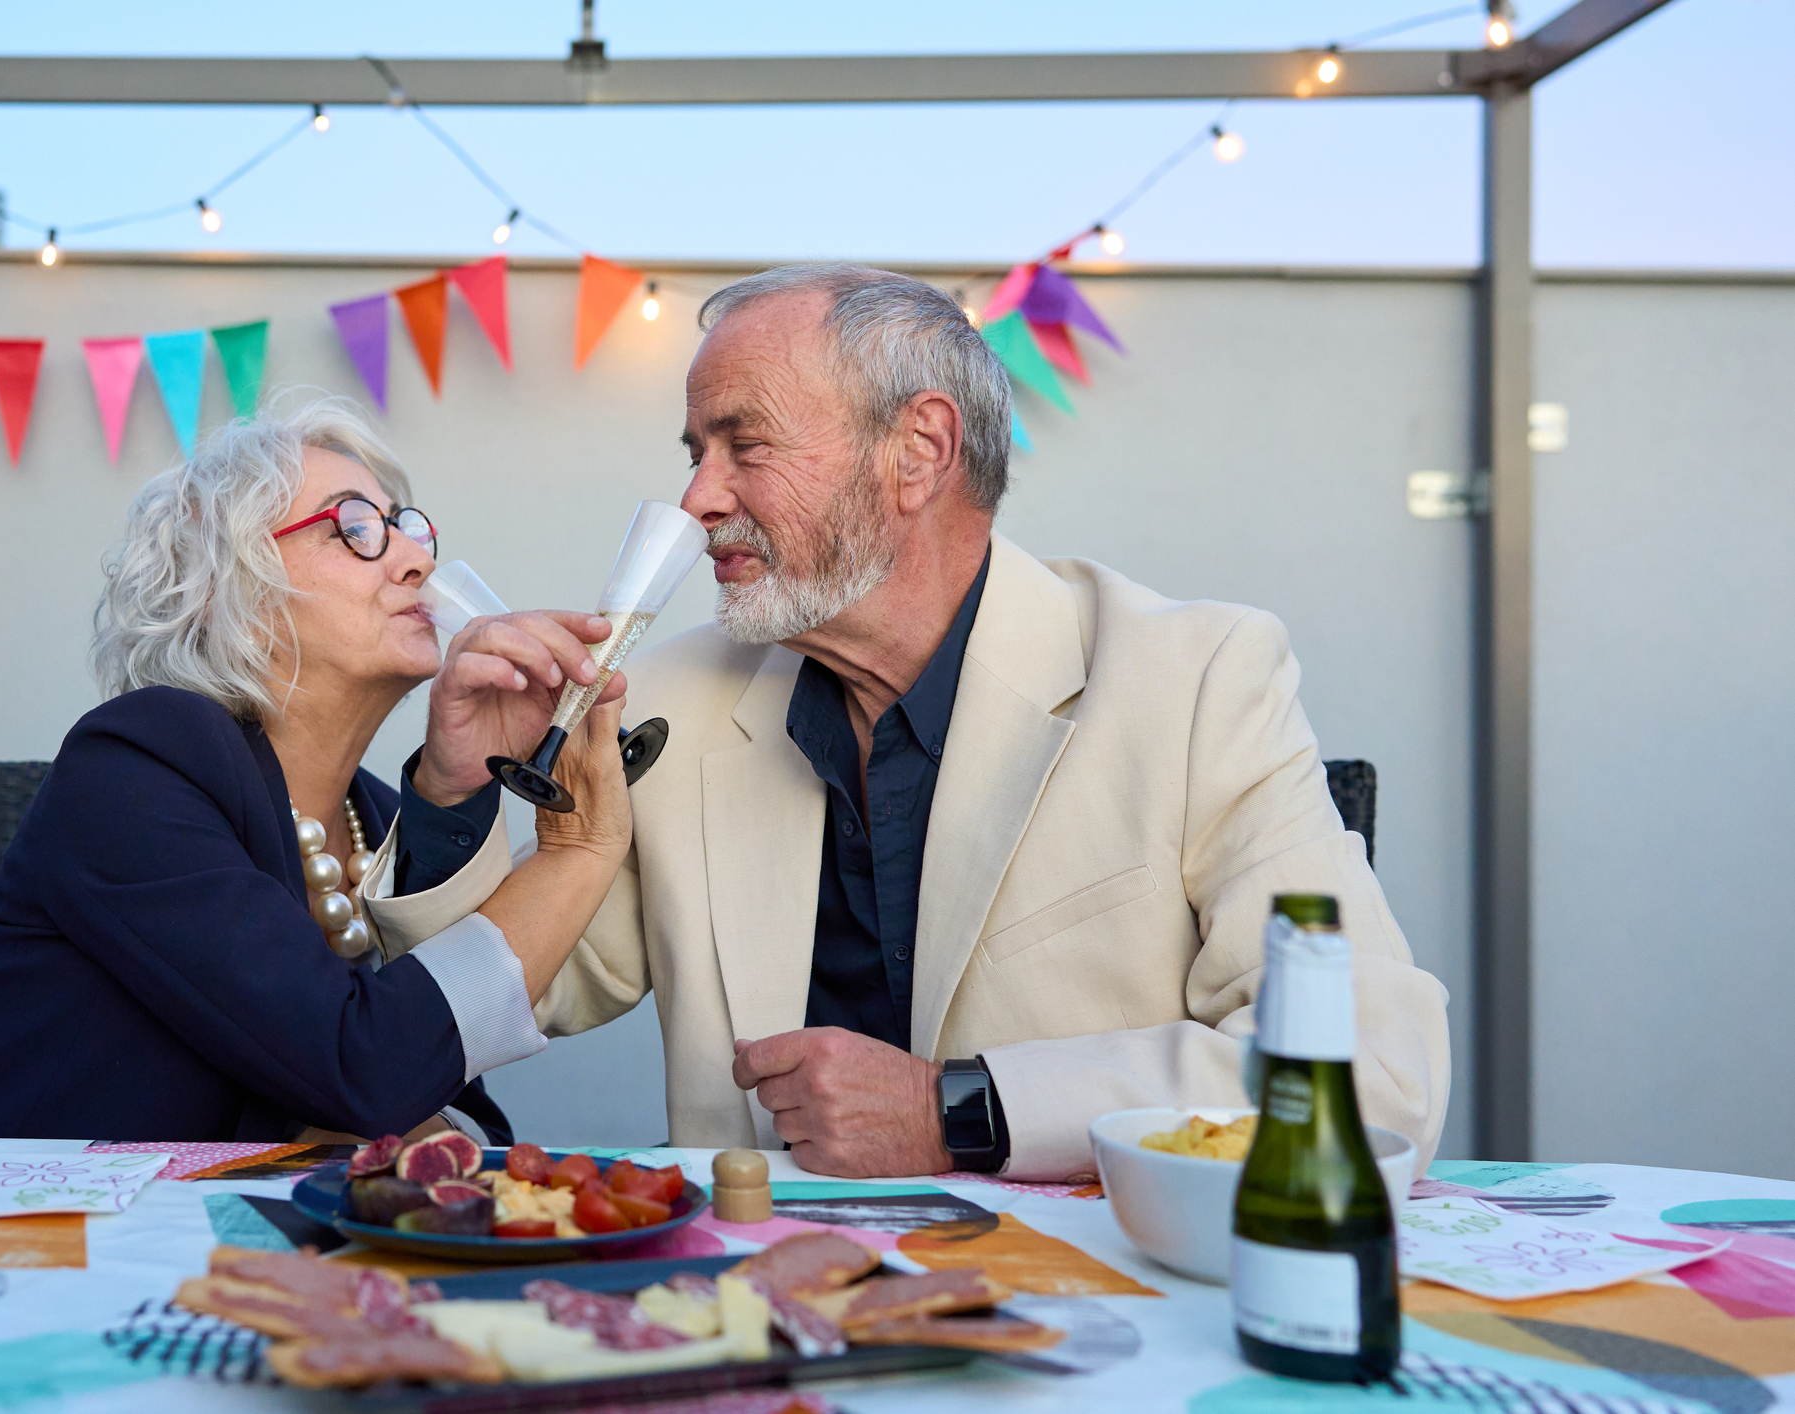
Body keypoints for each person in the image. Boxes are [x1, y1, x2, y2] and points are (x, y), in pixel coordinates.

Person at [370, 265, 1452, 1182]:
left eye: (743, 445)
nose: (698, 498)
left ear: (920, 450)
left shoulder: (1197, 676)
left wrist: (958, 1109)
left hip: (1089, 1329)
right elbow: (536, 994)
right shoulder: (664, 696)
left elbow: (1369, 1073)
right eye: (694, 452)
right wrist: (457, 796)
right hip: (759, 1309)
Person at [0, 399, 633, 1143]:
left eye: (405, 526)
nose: (418, 560)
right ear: (220, 587)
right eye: (355, 528)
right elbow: (365, 1071)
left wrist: (448, 794)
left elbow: (441, 1087)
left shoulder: (370, 815)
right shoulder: (135, 765)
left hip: (211, 1248)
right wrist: (577, 851)